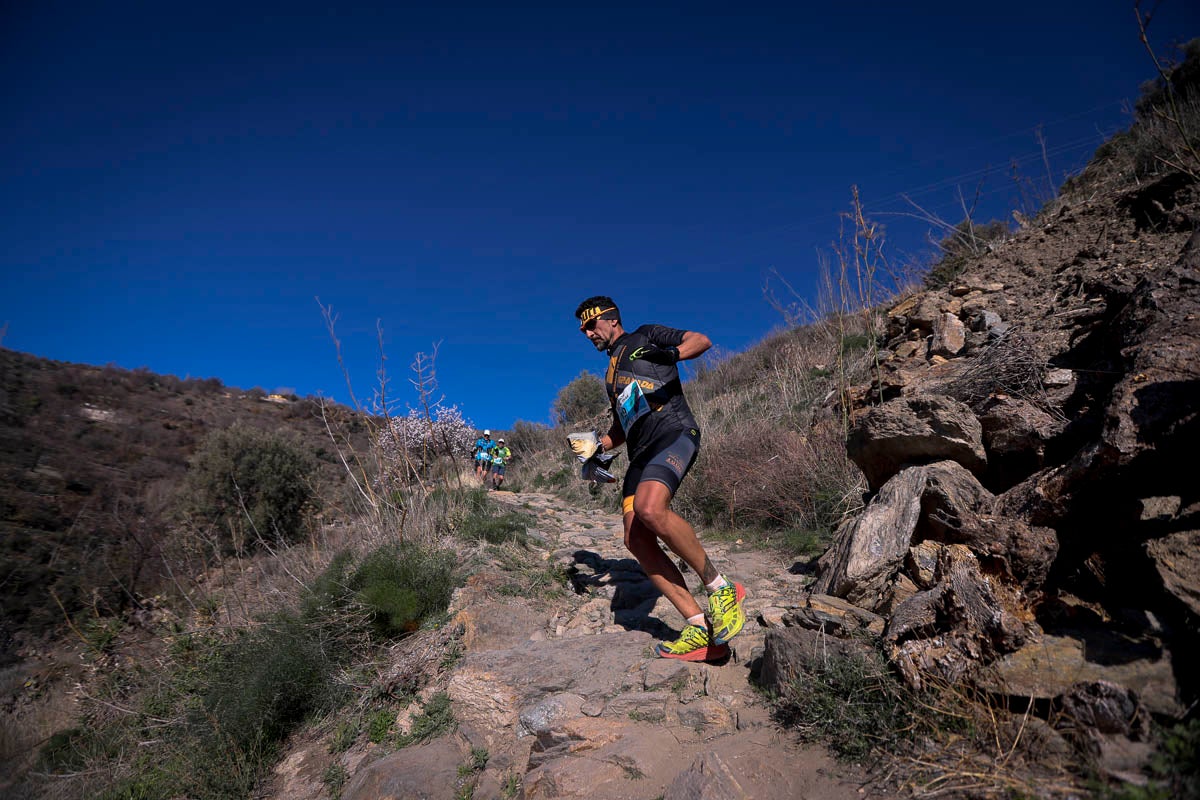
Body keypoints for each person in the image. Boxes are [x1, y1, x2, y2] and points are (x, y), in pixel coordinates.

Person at [570, 295, 745, 661]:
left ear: (611, 319)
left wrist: (670, 354)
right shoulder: (610, 375)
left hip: (674, 433)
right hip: (640, 454)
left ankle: (721, 588)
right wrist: (593, 447)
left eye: (590, 325)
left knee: (650, 509)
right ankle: (698, 627)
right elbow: (623, 426)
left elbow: (701, 340)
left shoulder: (645, 335)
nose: (587, 334)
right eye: (582, 330)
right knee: (635, 539)